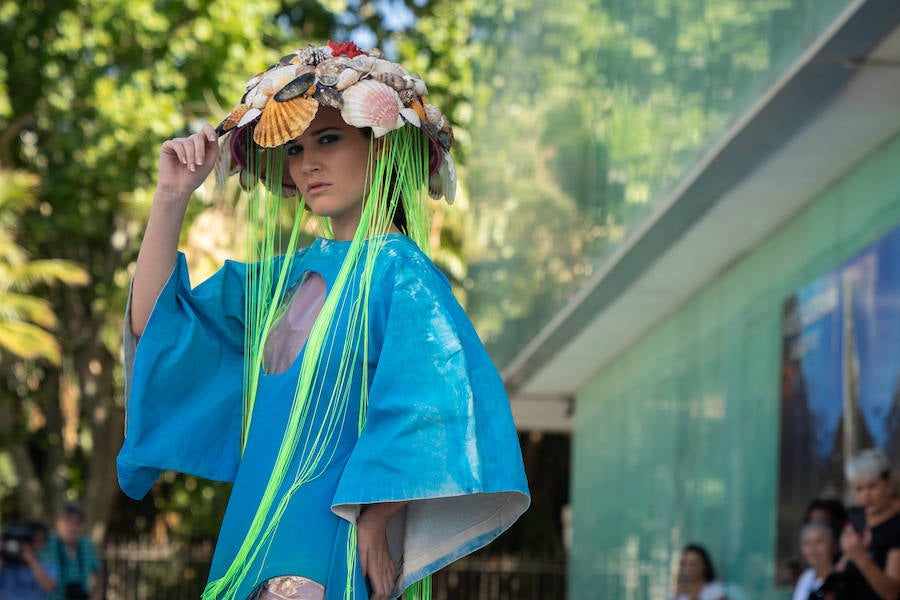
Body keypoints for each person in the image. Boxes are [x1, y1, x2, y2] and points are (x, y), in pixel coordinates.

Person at [116, 40, 530, 600]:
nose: (307, 162)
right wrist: (171, 197)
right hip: (253, 523)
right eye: (294, 148)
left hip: (331, 529)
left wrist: (377, 519)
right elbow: (160, 326)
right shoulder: (282, 280)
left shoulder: (402, 274)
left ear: (381, 148)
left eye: (329, 139)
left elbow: (439, 405)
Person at [837, 448, 900, 599]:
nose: (866, 495)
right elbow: (841, 570)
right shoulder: (856, 521)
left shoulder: (896, 528)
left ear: (889, 485)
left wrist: (861, 557)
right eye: (859, 489)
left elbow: (892, 592)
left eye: (872, 486)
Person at [41, 503, 101, 600]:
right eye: (68, 523)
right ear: (57, 523)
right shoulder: (47, 543)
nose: (72, 528)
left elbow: (98, 575)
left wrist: (95, 596)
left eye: (77, 523)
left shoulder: (87, 544)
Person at [0, 520, 57, 599]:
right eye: (33, 541)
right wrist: (3, 554)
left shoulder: (46, 563)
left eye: (41, 541)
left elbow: (49, 587)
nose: (36, 546)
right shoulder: (6, 563)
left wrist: (31, 560)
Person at [792, 520, 844, 600]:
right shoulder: (806, 577)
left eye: (819, 542)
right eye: (807, 543)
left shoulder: (842, 581)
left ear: (834, 546)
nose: (813, 549)